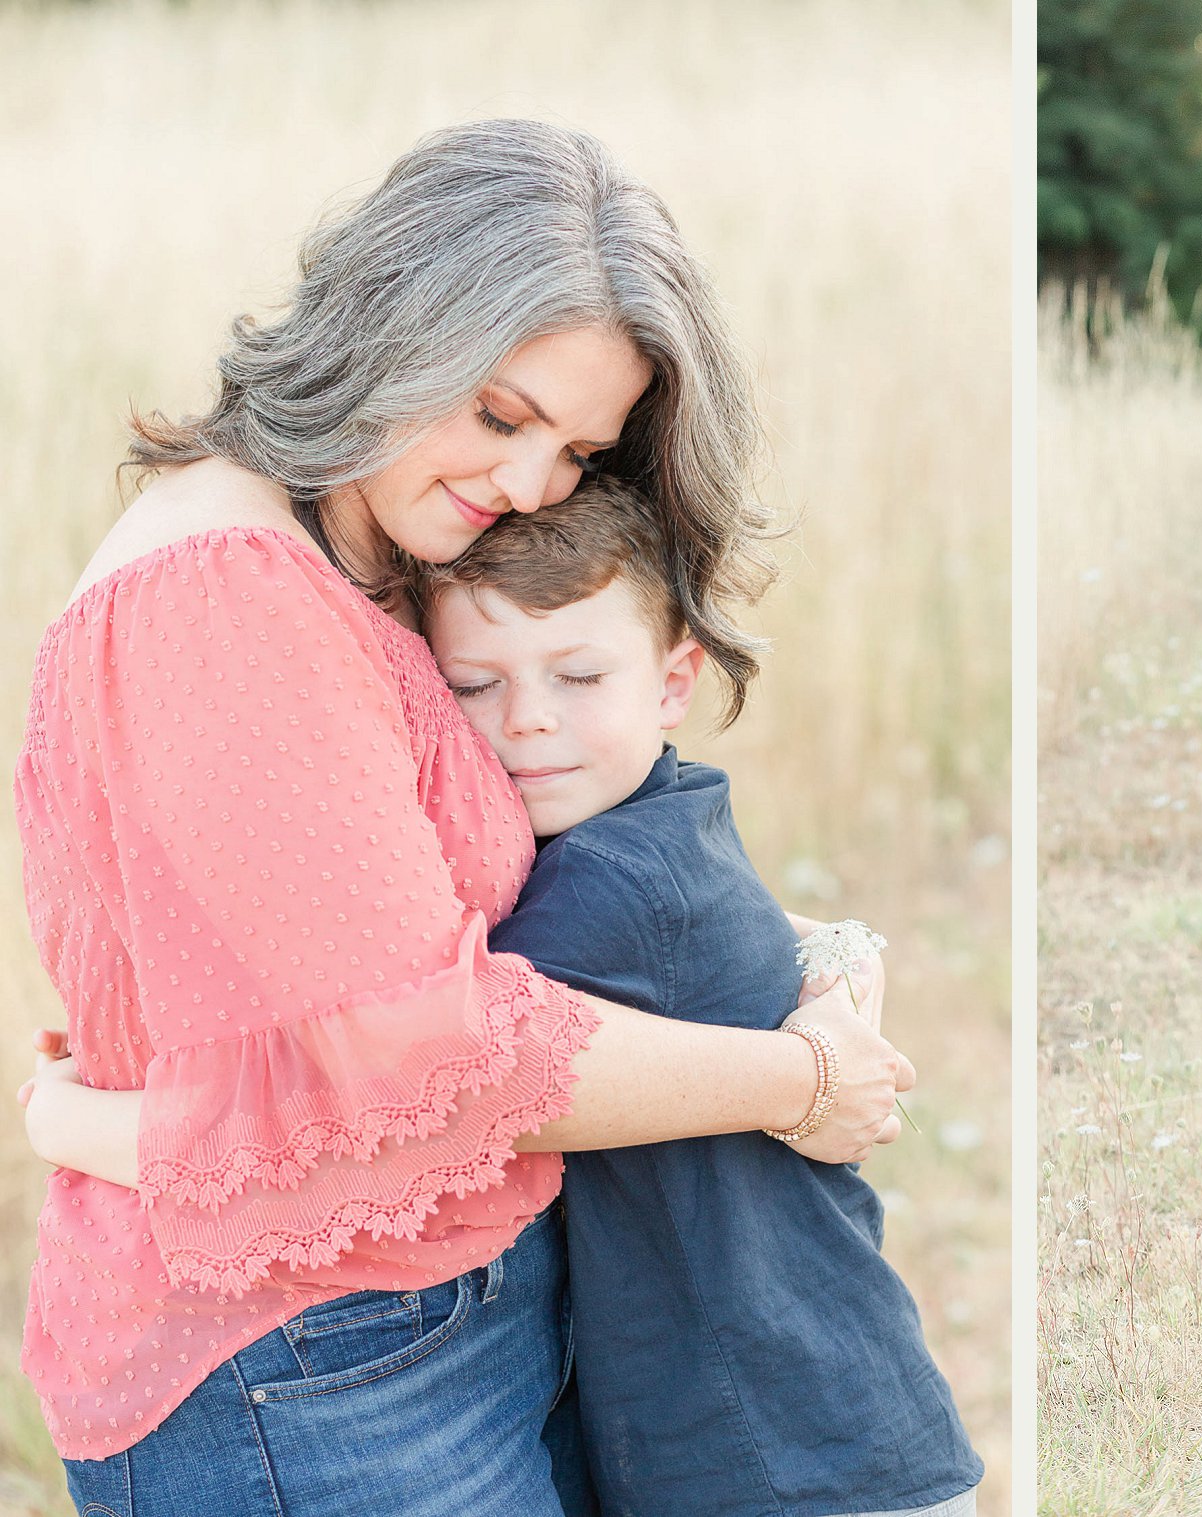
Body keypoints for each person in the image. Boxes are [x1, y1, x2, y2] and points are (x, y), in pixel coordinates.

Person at [12, 119, 910, 1516]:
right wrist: (800, 1083)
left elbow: (476, 933)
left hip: (431, 1328)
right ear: (390, 326)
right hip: (316, 1372)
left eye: (577, 446)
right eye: (501, 416)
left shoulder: (363, 549)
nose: (531, 485)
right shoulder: (229, 597)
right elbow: (425, 1051)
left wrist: (816, 958)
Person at [417, 480, 982, 1517]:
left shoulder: (604, 888)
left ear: (674, 681)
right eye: (472, 684)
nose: (528, 717)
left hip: (785, 1457)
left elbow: (434, 1077)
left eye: (579, 673)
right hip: (834, 1425)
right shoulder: (674, 809)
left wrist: (85, 1119)